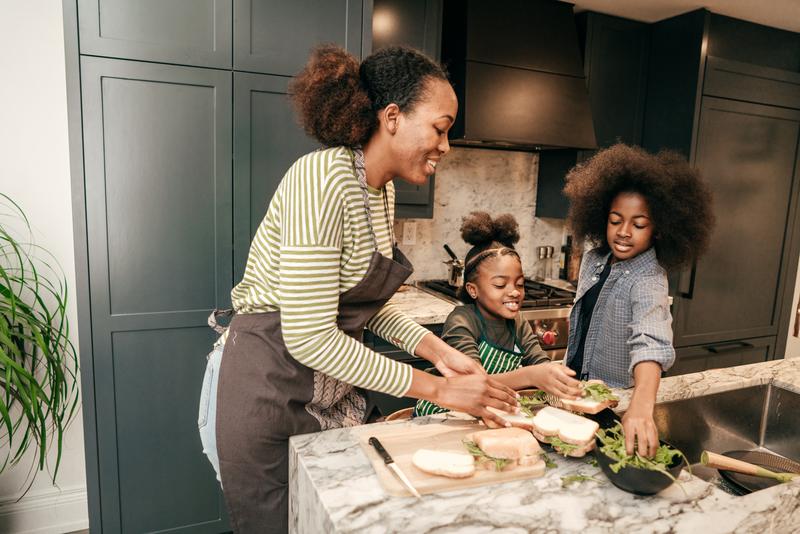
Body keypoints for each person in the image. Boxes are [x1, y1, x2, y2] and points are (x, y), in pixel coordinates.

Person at [196, 45, 519, 533]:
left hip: (329, 394)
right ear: (392, 117)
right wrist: (440, 389)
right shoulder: (322, 179)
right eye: (440, 127)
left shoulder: (380, 189)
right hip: (269, 387)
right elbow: (309, 336)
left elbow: (363, 306)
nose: (446, 146)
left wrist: (437, 351)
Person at [562, 143, 714, 458]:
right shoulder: (593, 259)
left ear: (659, 229)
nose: (624, 232)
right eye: (616, 220)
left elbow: (651, 341)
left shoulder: (648, 279)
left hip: (614, 411)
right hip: (576, 398)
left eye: (639, 224)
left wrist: (642, 407)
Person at [414, 212, 583, 416]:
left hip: (491, 411)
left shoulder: (517, 321)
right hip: (446, 414)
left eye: (520, 284)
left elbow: (541, 365)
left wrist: (565, 381)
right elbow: (471, 385)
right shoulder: (463, 320)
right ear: (472, 289)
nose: (514, 291)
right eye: (500, 284)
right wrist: (530, 376)